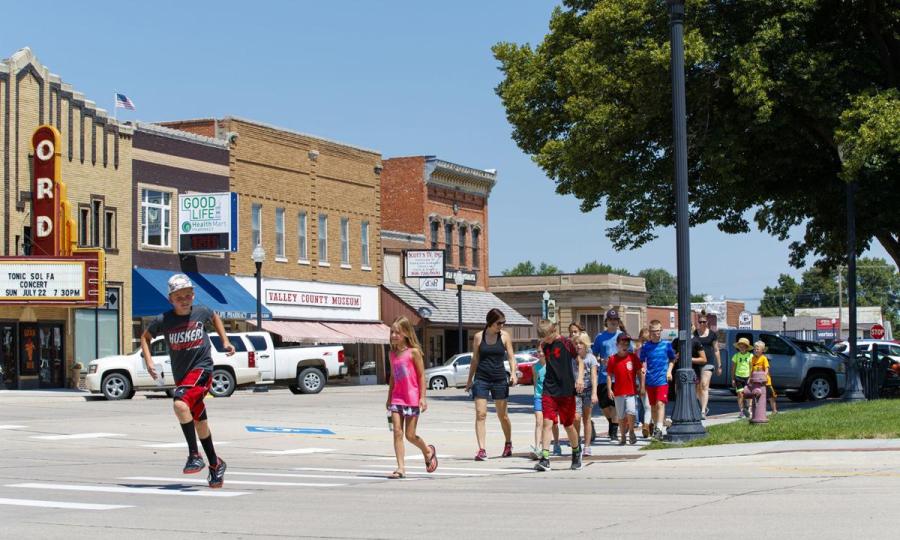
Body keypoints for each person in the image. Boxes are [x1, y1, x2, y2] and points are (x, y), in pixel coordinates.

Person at [141, 273, 233, 488]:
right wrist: (149, 362)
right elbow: (145, 338)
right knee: (200, 423)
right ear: (170, 299)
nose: (184, 300)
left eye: (188, 296)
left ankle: (194, 455)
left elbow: (215, 316)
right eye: (178, 297)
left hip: (202, 370)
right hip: (183, 376)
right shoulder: (164, 320)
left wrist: (225, 341)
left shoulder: (201, 312)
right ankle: (215, 464)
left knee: (179, 403)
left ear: (193, 295)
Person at [386, 316, 437, 479]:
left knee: (410, 435)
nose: (394, 335)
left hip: (412, 398)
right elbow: (393, 377)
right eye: (392, 332)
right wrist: (389, 397)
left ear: (406, 333)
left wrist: (423, 397)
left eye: (397, 332)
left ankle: (427, 450)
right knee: (397, 432)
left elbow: (422, 375)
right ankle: (401, 468)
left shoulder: (413, 352)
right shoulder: (392, 354)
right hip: (397, 398)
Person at [465, 308, 518, 460]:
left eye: (503, 323)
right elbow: (475, 359)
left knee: (503, 415)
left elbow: (511, 357)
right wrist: (469, 381)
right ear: (490, 322)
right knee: (481, 414)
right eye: (499, 323)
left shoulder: (504, 336)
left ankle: (508, 443)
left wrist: (513, 373)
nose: (501, 326)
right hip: (481, 378)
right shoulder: (478, 337)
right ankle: (482, 449)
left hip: (499, 378)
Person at [534, 320, 584, 472]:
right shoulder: (544, 345)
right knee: (547, 422)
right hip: (549, 389)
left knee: (568, 425)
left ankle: (576, 452)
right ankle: (545, 458)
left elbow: (579, 361)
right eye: (542, 338)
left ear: (553, 331)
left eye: (546, 337)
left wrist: (580, 378)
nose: (545, 341)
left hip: (566, 390)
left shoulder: (566, 343)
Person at [591, 309, 625, 440]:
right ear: (607, 322)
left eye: (615, 320)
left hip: (619, 376)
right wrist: (601, 360)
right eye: (611, 320)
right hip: (603, 376)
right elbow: (594, 355)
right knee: (604, 405)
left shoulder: (622, 336)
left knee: (615, 404)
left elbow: (630, 352)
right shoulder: (600, 337)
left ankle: (614, 432)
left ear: (618, 322)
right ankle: (612, 423)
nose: (613, 322)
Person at [639, 320, 676, 440]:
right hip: (650, 380)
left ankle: (659, 429)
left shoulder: (666, 345)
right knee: (653, 407)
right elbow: (642, 361)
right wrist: (643, 369)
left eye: (659, 331)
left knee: (660, 404)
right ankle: (656, 426)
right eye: (654, 331)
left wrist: (669, 371)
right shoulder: (646, 347)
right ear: (650, 332)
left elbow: (672, 359)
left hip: (662, 380)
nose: (657, 334)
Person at [606, 333, 643, 444]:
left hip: (631, 391)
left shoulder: (633, 357)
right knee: (621, 415)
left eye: (627, 343)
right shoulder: (613, 359)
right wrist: (609, 389)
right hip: (618, 392)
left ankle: (631, 431)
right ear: (617, 344)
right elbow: (609, 375)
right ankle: (622, 435)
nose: (625, 345)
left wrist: (642, 386)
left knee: (631, 412)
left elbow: (639, 372)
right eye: (622, 343)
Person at [693, 312, 722, 419]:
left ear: (707, 322)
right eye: (700, 322)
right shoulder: (695, 333)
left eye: (704, 322)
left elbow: (716, 350)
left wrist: (719, 365)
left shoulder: (712, 334)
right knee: (698, 387)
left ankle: (703, 411)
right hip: (697, 362)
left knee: (704, 385)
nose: (702, 324)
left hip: (708, 362)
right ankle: (702, 406)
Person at [573, 333, 598, 455]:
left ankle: (587, 446)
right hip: (575, 392)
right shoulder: (572, 358)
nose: (578, 345)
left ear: (586, 344)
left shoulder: (591, 358)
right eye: (576, 343)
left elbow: (594, 377)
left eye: (581, 343)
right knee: (576, 417)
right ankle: (576, 441)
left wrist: (594, 393)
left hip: (588, 391)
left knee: (587, 418)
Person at [634, 327, 653, 437]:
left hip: (653, 380)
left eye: (647, 340)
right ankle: (646, 426)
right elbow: (639, 370)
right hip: (642, 381)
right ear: (640, 339)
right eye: (643, 340)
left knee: (651, 405)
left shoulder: (651, 350)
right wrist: (640, 385)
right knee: (647, 406)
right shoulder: (638, 352)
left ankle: (649, 426)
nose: (645, 342)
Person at [750, 340, 778, 415]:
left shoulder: (763, 358)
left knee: (771, 396)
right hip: (756, 381)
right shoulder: (752, 359)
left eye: (757, 349)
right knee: (758, 395)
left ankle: (774, 410)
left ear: (762, 350)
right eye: (755, 349)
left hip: (766, 381)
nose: (756, 350)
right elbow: (751, 370)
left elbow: (766, 368)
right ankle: (758, 411)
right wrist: (750, 378)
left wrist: (764, 376)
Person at [530, 344, 547, 459]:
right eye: (538, 351)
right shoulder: (535, 367)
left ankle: (555, 444)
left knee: (551, 423)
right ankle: (537, 447)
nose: (540, 354)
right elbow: (535, 383)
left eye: (542, 351)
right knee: (539, 421)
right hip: (538, 396)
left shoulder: (551, 365)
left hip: (550, 397)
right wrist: (536, 395)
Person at [731, 337, 754, 417]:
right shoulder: (736, 356)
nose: (741, 347)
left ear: (747, 347)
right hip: (738, 377)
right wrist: (733, 379)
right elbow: (733, 368)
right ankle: (741, 410)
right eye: (740, 346)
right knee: (740, 394)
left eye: (743, 346)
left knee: (748, 394)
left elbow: (751, 367)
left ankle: (749, 409)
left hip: (747, 377)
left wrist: (751, 377)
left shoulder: (750, 356)